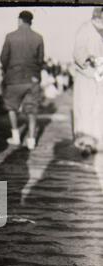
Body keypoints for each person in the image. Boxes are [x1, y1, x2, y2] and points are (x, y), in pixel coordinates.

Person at [0, 10, 44, 150]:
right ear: (31, 21)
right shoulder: (38, 37)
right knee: (32, 110)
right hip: (32, 79)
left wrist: (9, 70)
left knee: (11, 107)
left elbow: (3, 58)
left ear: (19, 20)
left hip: (14, 78)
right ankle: (31, 140)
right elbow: (40, 60)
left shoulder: (10, 36)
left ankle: (16, 136)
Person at [73, 6, 103, 157]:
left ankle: (99, 141)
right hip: (87, 75)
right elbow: (78, 50)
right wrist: (89, 59)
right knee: (85, 108)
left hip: (102, 76)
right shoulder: (85, 28)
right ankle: (86, 142)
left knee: (99, 109)